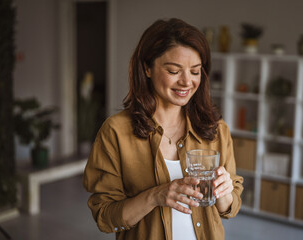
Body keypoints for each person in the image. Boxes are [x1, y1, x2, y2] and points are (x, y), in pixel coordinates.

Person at [83, 18, 243, 240]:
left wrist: (224, 192)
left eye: (195, 71)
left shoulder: (216, 129)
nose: (187, 82)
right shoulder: (116, 131)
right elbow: (105, 216)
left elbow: (230, 207)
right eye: (174, 70)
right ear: (147, 68)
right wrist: (156, 195)